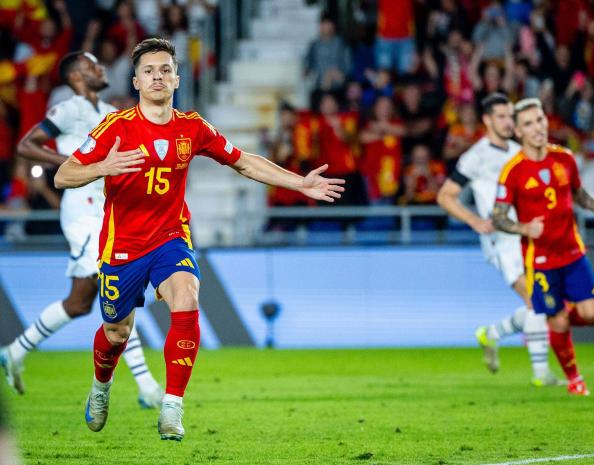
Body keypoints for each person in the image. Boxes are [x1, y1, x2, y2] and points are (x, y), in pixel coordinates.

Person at [53, 38, 344, 441]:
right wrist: (103, 165)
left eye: (165, 69)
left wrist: (300, 183)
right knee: (116, 331)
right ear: (136, 81)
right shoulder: (115, 128)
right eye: (150, 71)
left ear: (177, 77)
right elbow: (63, 175)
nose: (158, 76)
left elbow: (243, 160)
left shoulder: (192, 127)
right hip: (123, 245)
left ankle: (172, 407)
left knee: (187, 297)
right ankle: (101, 386)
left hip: (171, 235)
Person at [0, 51, 163, 409]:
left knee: (79, 302)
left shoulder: (107, 114)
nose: (101, 68)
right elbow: (26, 145)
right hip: (82, 213)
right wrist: (74, 163)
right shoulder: (70, 108)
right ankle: (148, 385)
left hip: (106, 212)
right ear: (76, 76)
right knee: (117, 288)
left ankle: (14, 351)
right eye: (92, 65)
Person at [492, 98, 594, 396]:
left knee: (592, 314)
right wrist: (524, 228)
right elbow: (497, 217)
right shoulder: (512, 171)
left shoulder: (565, 158)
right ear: (518, 132)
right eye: (528, 124)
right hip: (541, 261)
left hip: (573, 253)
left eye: (540, 120)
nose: (537, 128)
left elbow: (578, 193)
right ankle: (575, 380)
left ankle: (556, 325)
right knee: (558, 318)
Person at [437, 93, 558, 386]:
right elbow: (445, 196)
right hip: (501, 241)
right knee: (537, 300)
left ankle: (492, 334)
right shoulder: (475, 157)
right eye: (501, 117)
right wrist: (475, 221)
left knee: (545, 303)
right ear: (487, 120)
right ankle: (541, 374)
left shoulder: (518, 152)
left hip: (526, 236)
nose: (508, 122)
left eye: (510, 116)